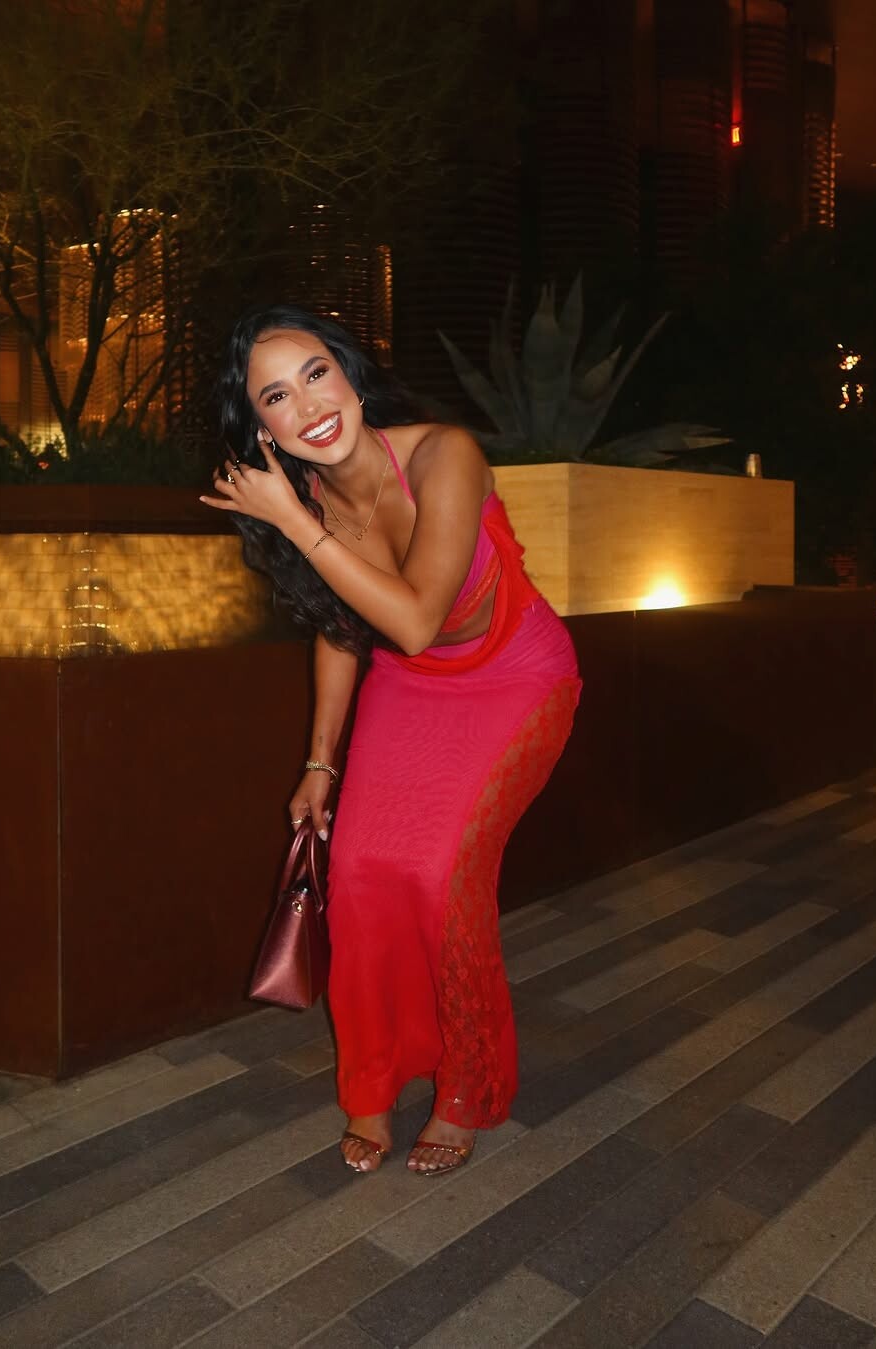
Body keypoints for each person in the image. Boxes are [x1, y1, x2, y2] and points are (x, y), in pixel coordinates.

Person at [202, 304, 581, 1175]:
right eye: (276, 397)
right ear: (262, 430)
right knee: (361, 871)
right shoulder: (304, 499)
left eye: (316, 374)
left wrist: (297, 524)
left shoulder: (446, 454)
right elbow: (340, 626)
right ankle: (371, 1083)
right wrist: (319, 763)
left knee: (442, 874)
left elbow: (412, 621)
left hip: (515, 676)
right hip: (411, 686)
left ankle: (466, 1087)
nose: (309, 405)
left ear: (349, 373)